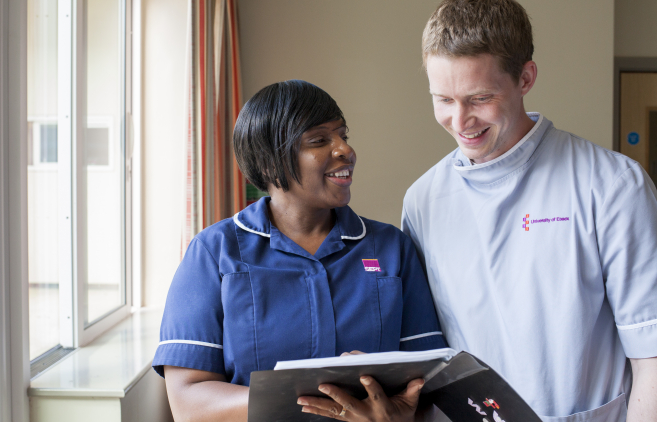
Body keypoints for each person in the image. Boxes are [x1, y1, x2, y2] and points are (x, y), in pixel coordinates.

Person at [399, 1, 657, 421]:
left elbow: (652, 356)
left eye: (480, 98)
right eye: (443, 99)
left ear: (525, 77)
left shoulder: (611, 185)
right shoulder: (423, 200)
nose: (460, 120)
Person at [152, 80, 447, 421]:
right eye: (319, 140)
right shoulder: (213, 253)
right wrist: (325, 396)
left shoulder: (392, 249)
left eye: (343, 135)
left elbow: (428, 384)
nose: (344, 150)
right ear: (268, 164)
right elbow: (189, 403)